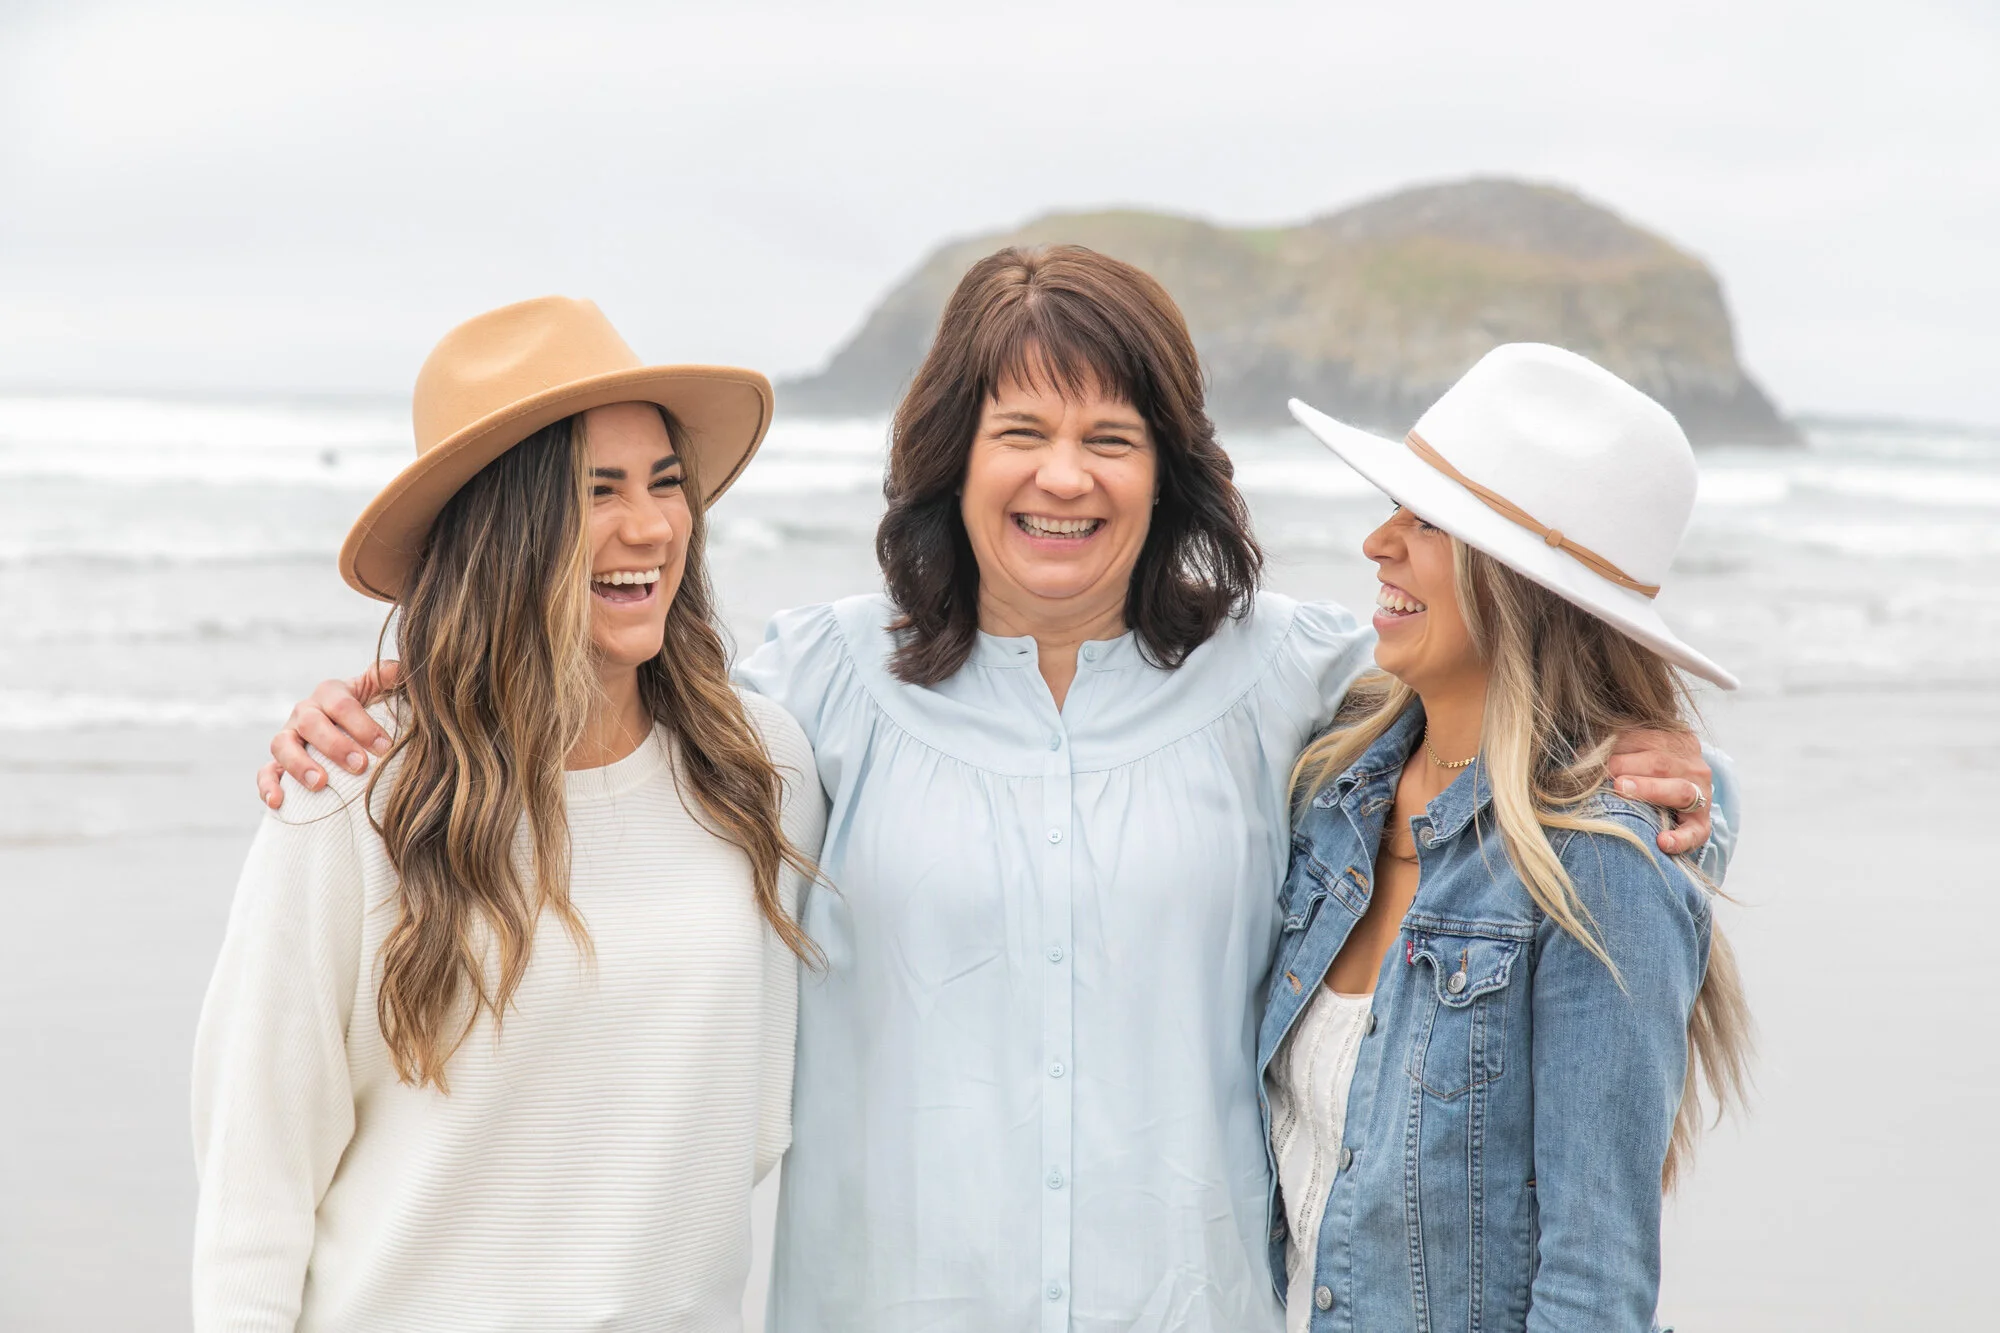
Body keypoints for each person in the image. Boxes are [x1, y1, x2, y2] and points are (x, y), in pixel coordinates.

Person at [255, 252, 1729, 1331]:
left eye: (1111, 438)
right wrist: (372, 710)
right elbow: (593, 736)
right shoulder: (815, 691)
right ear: (951, 459)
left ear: (1171, 471)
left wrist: (1697, 790)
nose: (1063, 480)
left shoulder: (1290, 680)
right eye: (1019, 432)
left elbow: (1524, 728)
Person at [193, 297, 825, 1331]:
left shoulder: (760, 768)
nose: (653, 525)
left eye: (667, 482)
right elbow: (253, 1186)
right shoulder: (353, 793)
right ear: (505, 527)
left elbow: (752, 1117)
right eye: (599, 490)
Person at [1260, 344, 1752, 1332]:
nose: (1375, 542)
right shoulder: (1329, 791)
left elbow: (1593, 1283)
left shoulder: (1597, 869)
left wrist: (1702, 801)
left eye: (1425, 522)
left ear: (1518, 585)